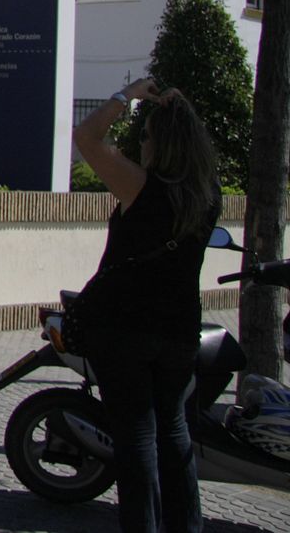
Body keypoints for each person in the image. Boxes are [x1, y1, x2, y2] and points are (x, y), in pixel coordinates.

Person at [72, 77, 221, 533]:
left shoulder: (141, 187)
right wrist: (183, 108)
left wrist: (126, 96)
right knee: (174, 434)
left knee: (136, 438)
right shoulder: (207, 196)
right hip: (179, 331)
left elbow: (86, 138)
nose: (144, 144)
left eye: (148, 136)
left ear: (161, 143)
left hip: (126, 328)